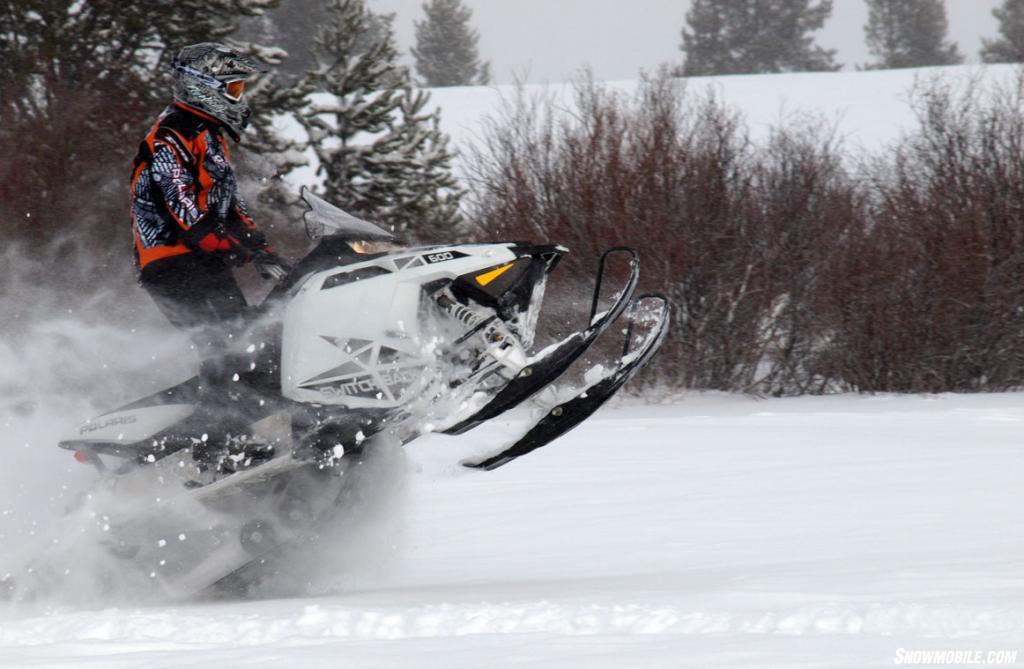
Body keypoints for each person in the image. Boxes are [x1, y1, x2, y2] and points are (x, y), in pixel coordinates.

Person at [130, 42, 288, 466]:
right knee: (226, 345)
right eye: (233, 87)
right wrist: (207, 235)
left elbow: (227, 202)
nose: (240, 96)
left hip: (200, 260)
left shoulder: (208, 135)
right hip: (171, 261)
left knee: (253, 338)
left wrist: (259, 245)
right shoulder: (171, 132)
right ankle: (214, 446)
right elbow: (175, 192)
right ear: (203, 87)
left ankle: (255, 424)